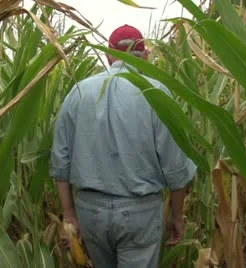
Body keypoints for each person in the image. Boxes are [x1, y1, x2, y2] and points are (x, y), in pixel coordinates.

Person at [50, 24, 197, 268]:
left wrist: (69, 215)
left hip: (91, 212)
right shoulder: (155, 93)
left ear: (108, 56)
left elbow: (60, 161)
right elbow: (175, 168)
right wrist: (176, 216)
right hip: (140, 214)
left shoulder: (78, 93)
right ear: (146, 56)